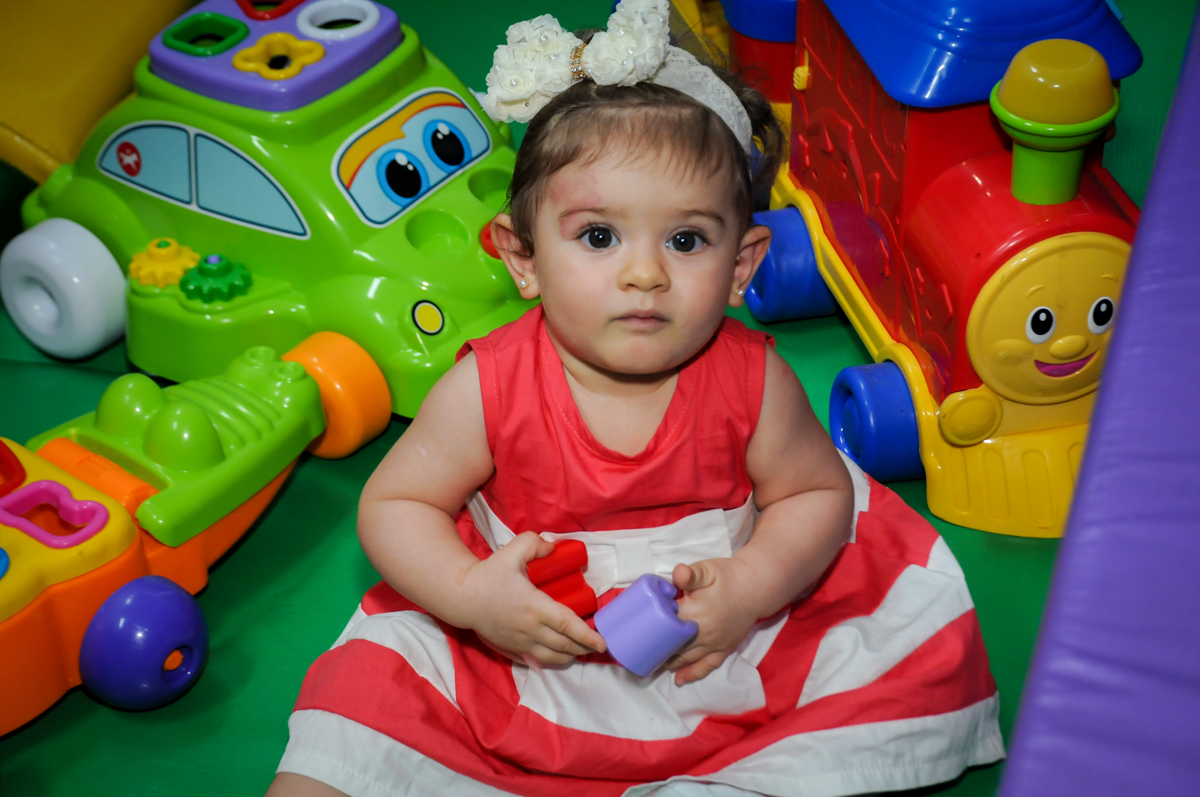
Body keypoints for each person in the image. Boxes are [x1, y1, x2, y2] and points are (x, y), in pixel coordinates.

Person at [268, 2, 1003, 794]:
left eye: (686, 241)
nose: (644, 273)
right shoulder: (487, 386)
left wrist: (752, 585)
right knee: (361, 704)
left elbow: (817, 492)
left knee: (889, 666)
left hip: (716, 644)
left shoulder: (754, 381)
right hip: (513, 640)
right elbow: (395, 504)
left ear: (743, 262)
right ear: (522, 257)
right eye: (598, 236)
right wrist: (473, 594)